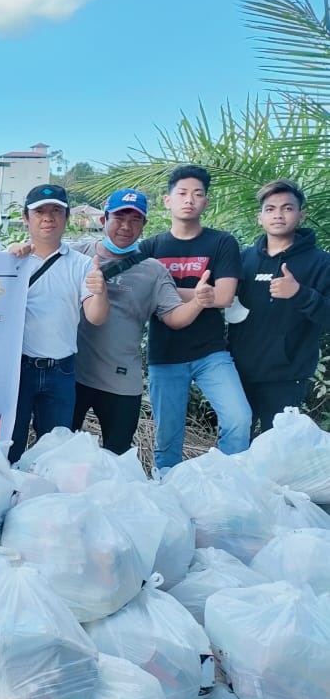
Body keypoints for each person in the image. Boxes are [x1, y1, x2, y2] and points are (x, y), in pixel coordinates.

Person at [72, 188, 215, 455]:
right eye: (119, 218)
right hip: (73, 377)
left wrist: (197, 301)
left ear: (144, 224)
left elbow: (173, 317)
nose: (126, 226)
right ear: (103, 220)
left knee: (118, 457)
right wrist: (17, 248)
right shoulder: (76, 256)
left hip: (121, 382)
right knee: (60, 452)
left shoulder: (153, 270)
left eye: (135, 219)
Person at [139, 164, 251, 470]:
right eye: (183, 193)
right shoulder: (152, 247)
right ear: (168, 200)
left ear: (206, 202)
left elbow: (225, 297)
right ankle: (168, 494)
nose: (190, 199)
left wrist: (166, 290)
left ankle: (227, 483)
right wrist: (200, 294)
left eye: (198, 194)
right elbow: (138, 291)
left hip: (211, 353)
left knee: (239, 419)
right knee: (168, 438)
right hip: (165, 355)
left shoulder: (220, 242)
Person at [7, 184, 108, 465]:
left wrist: (100, 290)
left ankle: (42, 506)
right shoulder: (9, 260)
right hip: (16, 370)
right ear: (26, 218)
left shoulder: (84, 265)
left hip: (60, 371)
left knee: (53, 456)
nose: (48, 217)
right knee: (7, 448)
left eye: (56, 211)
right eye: (40, 211)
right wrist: (8, 257)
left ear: (66, 218)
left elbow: (96, 317)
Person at [229, 179, 330, 436]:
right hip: (239, 371)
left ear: (301, 215)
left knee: (278, 450)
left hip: (288, 374)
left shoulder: (321, 263)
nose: (278, 215)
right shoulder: (244, 260)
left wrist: (299, 293)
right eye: (270, 209)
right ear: (259, 218)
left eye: (287, 208)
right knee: (237, 446)